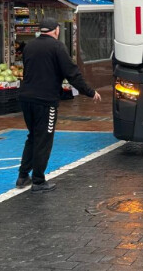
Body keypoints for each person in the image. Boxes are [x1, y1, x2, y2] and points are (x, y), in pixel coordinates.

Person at [16, 19, 99, 192]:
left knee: (33, 136)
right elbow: (72, 74)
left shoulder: (29, 46)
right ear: (56, 30)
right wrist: (90, 92)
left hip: (26, 98)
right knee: (44, 139)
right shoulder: (57, 47)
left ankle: (23, 176)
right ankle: (38, 181)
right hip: (45, 101)